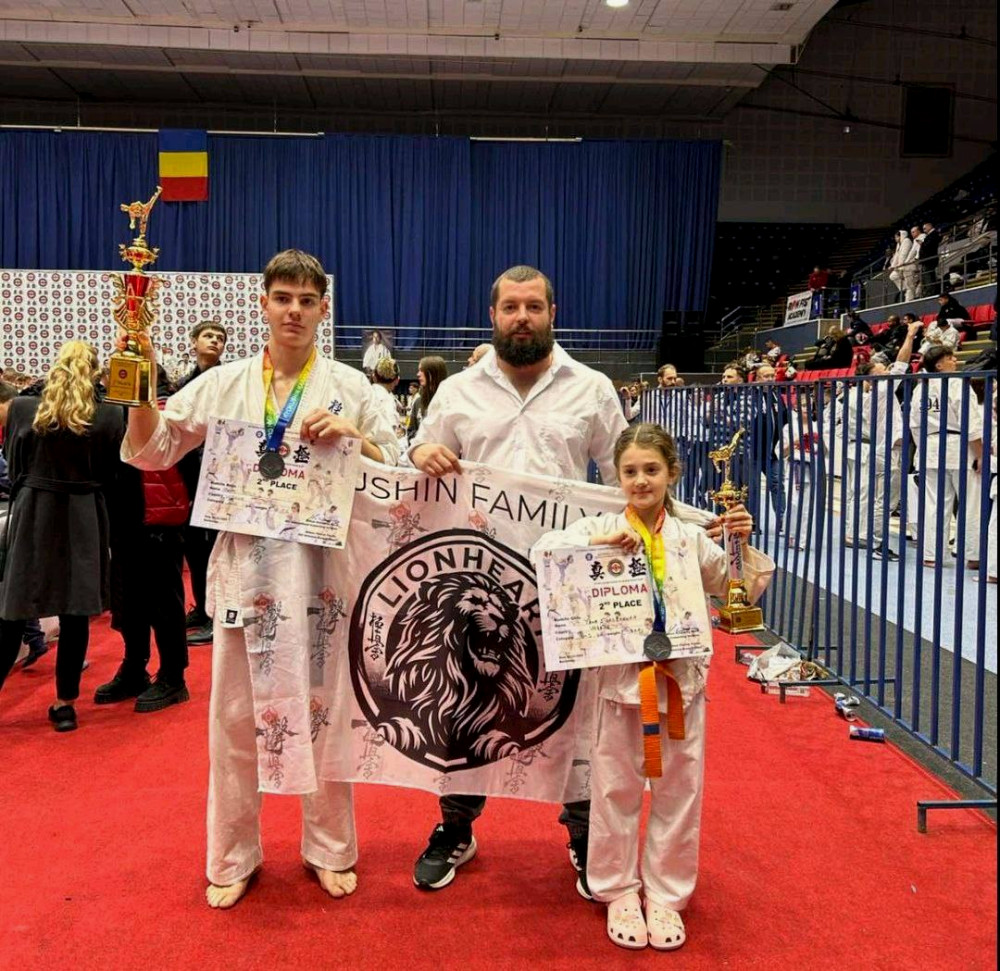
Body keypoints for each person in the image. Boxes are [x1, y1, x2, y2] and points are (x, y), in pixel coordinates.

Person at [407, 263, 717, 898]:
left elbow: (628, 476)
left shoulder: (593, 389)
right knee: (467, 706)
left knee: (580, 713)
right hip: (481, 583)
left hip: (576, 585)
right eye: (511, 307)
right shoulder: (457, 391)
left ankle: (584, 833)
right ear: (492, 316)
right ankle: (456, 826)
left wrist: (703, 525)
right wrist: (418, 451)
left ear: (553, 313)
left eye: (534, 307)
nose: (522, 318)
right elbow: (417, 453)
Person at [120, 249, 399, 909]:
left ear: (323, 308)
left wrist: (354, 437)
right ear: (263, 304)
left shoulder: (352, 386)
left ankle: (330, 847)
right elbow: (154, 448)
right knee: (234, 722)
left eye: (306, 300)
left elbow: (398, 468)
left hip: (324, 575)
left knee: (325, 715)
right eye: (282, 298)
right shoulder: (224, 383)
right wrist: (136, 391)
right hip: (246, 573)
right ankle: (232, 854)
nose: (293, 310)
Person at [530, 423, 773, 951]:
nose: (641, 480)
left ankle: (666, 894)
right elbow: (543, 553)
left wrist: (739, 543)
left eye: (652, 470)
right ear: (616, 477)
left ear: (671, 474)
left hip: (681, 683)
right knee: (613, 788)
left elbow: (734, 586)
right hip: (619, 685)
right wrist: (594, 545)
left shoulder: (690, 537)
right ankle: (617, 888)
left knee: (679, 792)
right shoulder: (597, 527)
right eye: (630, 471)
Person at [0, 341, 124, 732]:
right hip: (85, 510)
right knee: (75, 611)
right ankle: (64, 703)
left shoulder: (22, 407)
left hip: (34, 508)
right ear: (95, 370)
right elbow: (112, 471)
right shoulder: (111, 412)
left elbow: (14, 465)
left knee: (15, 608)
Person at [95, 371, 192, 712]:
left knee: (164, 601)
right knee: (128, 599)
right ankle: (135, 666)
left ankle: (173, 676)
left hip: (159, 516)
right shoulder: (112, 408)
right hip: (123, 516)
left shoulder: (170, 407)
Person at [176, 320, 229, 646]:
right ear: (194, 342)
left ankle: (215, 615)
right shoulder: (183, 384)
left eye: (220, 338)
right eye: (208, 336)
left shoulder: (226, 383)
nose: (215, 341)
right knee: (194, 550)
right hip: (186, 480)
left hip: (217, 480)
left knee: (213, 552)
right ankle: (200, 606)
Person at [908, 345, 983, 567]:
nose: (955, 360)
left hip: (930, 446)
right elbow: (971, 423)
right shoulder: (957, 384)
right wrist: (980, 454)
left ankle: (931, 554)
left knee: (934, 504)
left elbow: (914, 424)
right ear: (939, 365)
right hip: (959, 446)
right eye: (950, 358)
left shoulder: (921, 388)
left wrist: (923, 449)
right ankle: (973, 555)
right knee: (970, 502)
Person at [406, 355, 447, 444]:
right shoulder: (418, 402)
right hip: (421, 450)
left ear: (432, 373)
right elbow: (410, 431)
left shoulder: (448, 401)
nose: (418, 374)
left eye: (422, 370)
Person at [370, 357, 401, 436]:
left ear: (374, 377)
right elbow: (390, 434)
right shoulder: (388, 401)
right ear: (397, 380)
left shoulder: (364, 393)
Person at [888, 230, 913, 298]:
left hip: (906, 265)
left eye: (896, 237)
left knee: (909, 283)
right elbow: (896, 256)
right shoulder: (899, 244)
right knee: (893, 276)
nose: (895, 239)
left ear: (901, 236)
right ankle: (904, 288)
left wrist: (900, 264)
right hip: (899, 266)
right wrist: (892, 266)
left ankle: (909, 294)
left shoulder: (907, 241)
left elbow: (904, 254)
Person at [920, 222, 941, 292]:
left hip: (929, 260)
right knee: (927, 277)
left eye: (925, 228)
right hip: (927, 260)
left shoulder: (934, 234)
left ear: (929, 227)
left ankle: (931, 291)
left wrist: (922, 244)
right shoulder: (930, 235)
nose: (924, 230)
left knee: (929, 276)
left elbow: (929, 245)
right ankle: (930, 291)